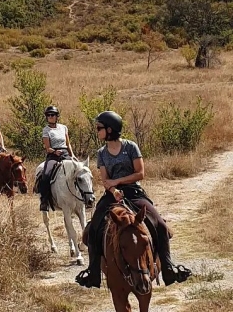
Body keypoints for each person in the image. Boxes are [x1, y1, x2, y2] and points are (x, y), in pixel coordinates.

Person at [75, 111, 192, 289]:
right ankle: (93, 273)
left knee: (160, 224)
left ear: (110, 129)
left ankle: (168, 267)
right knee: (93, 229)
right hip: (112, 195)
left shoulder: (131, 147)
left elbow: (140, 173)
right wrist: (113, 190)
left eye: (99, 128)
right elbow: (105, 180)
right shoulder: (101, 153)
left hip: (134, 192)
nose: (97, 131)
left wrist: (118, 182)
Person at [39, 105, 76, 211]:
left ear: (57, 116)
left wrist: (72, 155)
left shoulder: (64, 128)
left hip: (65, 153)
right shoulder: (46, 130)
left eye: (52, 115)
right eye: (48, 115)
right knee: (46, 175)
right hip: (53, 155)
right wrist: (55, 151)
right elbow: (47, 148)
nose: (50, 117)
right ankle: (44, 201)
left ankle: (86, 196)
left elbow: (68, 144)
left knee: (80, 171)